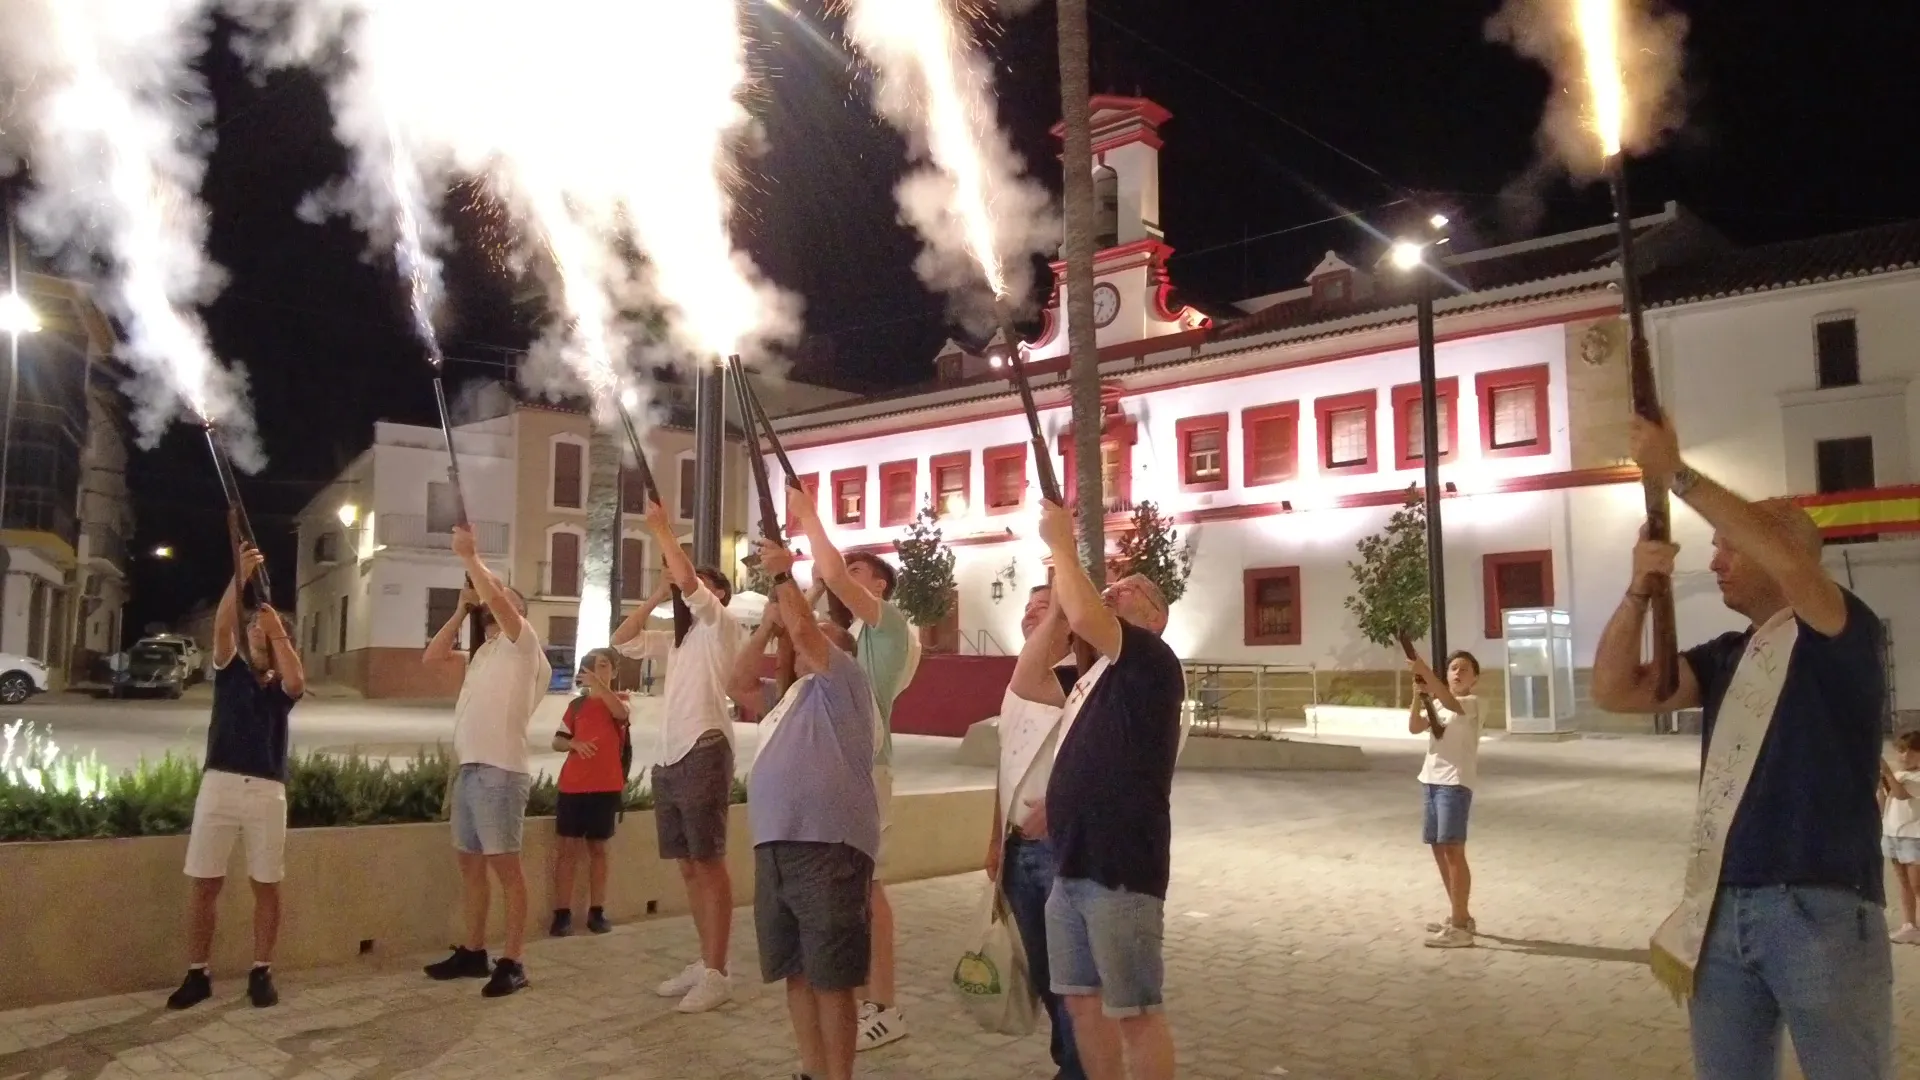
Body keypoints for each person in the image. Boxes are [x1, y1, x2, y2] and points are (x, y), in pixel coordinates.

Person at [1592, 413, 1889, 1080]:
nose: (1714, 559)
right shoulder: (1730, 656)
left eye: (1729, 545)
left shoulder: (1840, 631)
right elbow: (1616, 691)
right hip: (1721, 910)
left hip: (1823, 909)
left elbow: (1790, 563)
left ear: (1781, 552)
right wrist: (1639, 589)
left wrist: (1678, 474)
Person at [1034, 500, 1183, 1080]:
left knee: (1136, 1011)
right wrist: (1061, 599)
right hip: (1071, 866)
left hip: (1121, 868)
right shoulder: (1095, 675)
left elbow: (1089, 617)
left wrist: (1063, 548)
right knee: (1080, 1003)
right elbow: (1029, 676)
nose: (1111, 593)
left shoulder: (1152, 659)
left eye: (1125, 590)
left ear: (1154, 614)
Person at [729, 538, 879, 1080]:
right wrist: (768, 627)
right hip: (775, 846)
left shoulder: (845, 685)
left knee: (832, 975)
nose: (810, 640)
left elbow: (809, 636)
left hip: (828, 845)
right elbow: (737, 682)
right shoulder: (786, 698)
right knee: (796, 970)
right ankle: (812, 1071)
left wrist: (784, 579)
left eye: (826, 637)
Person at [788, 486, 918, 1050]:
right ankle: (867, 998)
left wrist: (809, 518)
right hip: (842, 771)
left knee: (871, 890)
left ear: (880, 585)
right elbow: (799, 623)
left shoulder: (891, 629)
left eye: (858, 568)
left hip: (868, 771)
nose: (844, 573)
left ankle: (884, 1007)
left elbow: (836, 576)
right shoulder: (855, 636)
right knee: (857, 891)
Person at [612, 498, 745, 1014]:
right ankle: (705, 961)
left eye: (707, 588)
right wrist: (652, 597)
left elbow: (692, 584)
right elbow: (621, 641)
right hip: (670, 757)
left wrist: (662, 530)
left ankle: (718, 971)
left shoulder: (722, 627)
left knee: (708, 863)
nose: (697, 593)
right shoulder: (679, 641)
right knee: (689, 865)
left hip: (704, 748)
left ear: (720, 596)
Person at [167, 538, 305, 1011]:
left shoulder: (281, 685)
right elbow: (223, 629)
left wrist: (278, 632)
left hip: (266, 790)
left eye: (262, 631)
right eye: (255, 631)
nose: (255, 634)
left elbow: (297, 683)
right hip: (219, 785)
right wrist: (239, 578)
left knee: (266, 883)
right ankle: (197, 973)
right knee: (205, 883)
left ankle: (261, 970)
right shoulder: (231, 672)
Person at [420, 524, 552, 999]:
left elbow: (499, 601)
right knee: (471, 867)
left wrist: (473, 561)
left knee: (507, 870)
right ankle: (473, 951)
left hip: (500, 770)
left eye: (500, 597)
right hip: (470, 769)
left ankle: (514, 960)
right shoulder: (484, 653)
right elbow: (431, 657)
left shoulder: (524, 644)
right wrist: (460, 608)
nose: (491, 600)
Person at [987, 583, 1085, 1079]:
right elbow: (1008, 765)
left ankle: (1080, 1069)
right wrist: (994, 840)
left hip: (1057, 851)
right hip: (1018, 848)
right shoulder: (1018, 687)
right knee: (1046, 976)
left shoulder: (1079, 683)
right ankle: (1069, 1064)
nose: (1031, 615)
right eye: (1027, 608)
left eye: (1044, 608)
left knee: (1074, 979)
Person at [548, 647, 630, 938]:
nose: (598, 671)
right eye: (593, 666)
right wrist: (574, 744)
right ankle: (561, 914)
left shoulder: (618, 703)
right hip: (574, 786)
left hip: (606, 787)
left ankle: (597, 911)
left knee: (599, 850)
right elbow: (558, 740)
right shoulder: (576, 707)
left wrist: (601, 686)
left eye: (605, 665)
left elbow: (620, 714)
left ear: (614, 671)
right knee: (567, 850)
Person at [1406, 649, 1484, 949]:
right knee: (1439, 849)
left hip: (1454, 783)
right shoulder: (1439, 702)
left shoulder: (1471, 704)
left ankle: (1461, 926)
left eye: (1464, 669)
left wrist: (1426, 671)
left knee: (1454, 850)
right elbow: (1414, 726)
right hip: (1431, 780)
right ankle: (1458, 914)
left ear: (1474, 678)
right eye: (1453, 668)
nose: (1457, 673)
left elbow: (1452, 703)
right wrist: (1418, 694)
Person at [1879, 731, 1920, 944]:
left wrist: (1886, 772)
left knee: (1917, 885)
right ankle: (1909, 925)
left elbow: (1902, 795)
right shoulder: (1899, 775)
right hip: (1893, 834)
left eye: (1912, 752)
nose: (1905, 756)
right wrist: (1879, 782)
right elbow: (1884, 803)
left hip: (1914, 837)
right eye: (1902, 751)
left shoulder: (1916, 777)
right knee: (1903, 883)